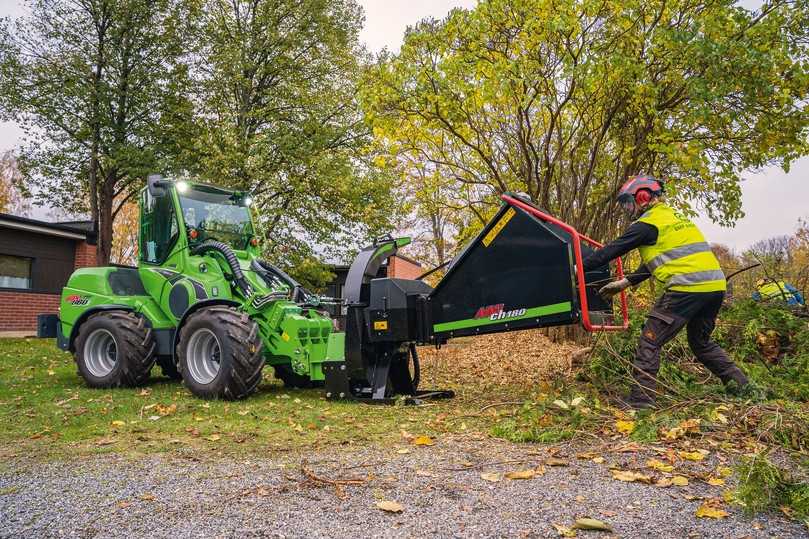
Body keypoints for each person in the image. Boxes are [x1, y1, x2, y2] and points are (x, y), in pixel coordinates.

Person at [583, 175, 750, 409]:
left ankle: (641, 402)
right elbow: (662, 259)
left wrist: (576, 268)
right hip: (714, 288)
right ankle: (743, 387)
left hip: (686, 288)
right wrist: (625, 283)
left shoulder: (647, 224)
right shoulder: (675, 218)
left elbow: (611, 251)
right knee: (701, 343)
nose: (627, 209)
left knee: (649, 341)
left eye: (628, 202)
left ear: (643, 197)